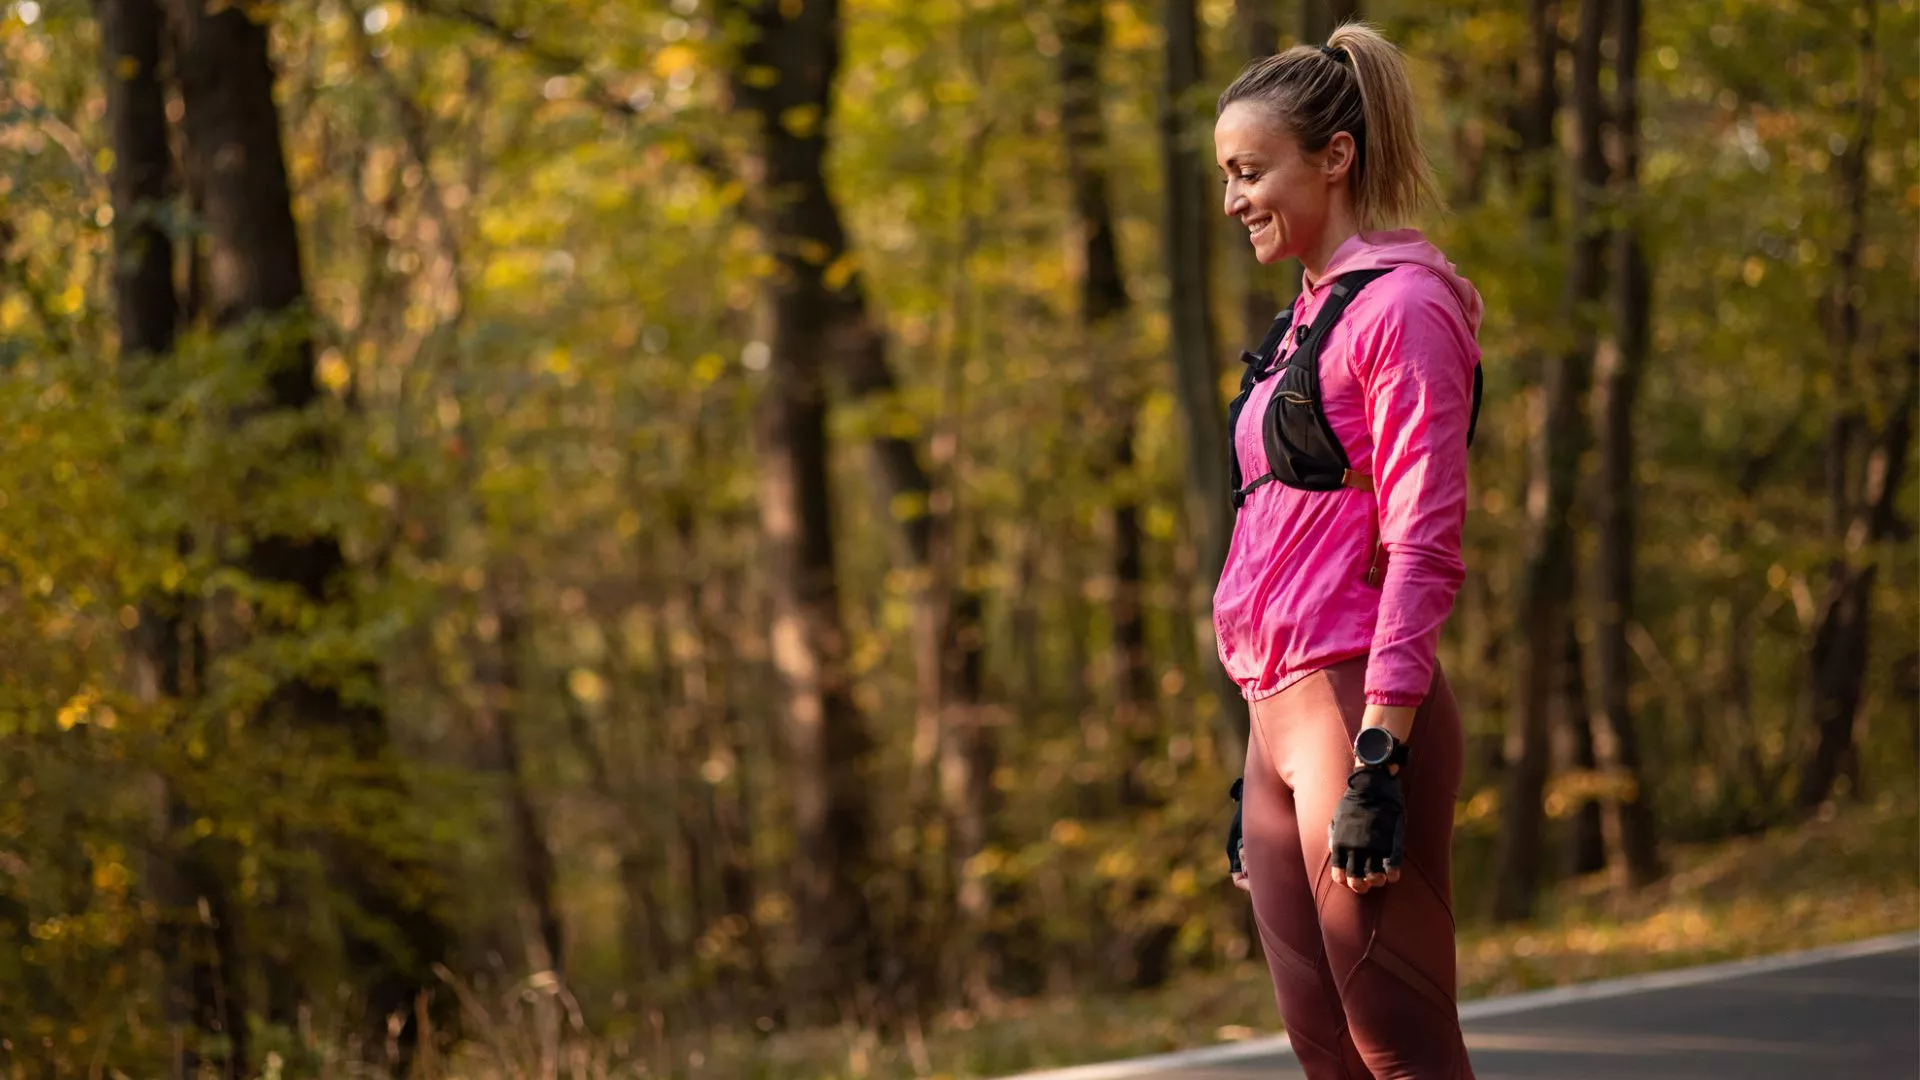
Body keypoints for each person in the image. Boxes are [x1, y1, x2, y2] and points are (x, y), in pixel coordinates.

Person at [1212, 22, 1482, 1080]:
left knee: (1403, 1055)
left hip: (1358, 708)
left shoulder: (1405, 308)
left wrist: (1380, 754)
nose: (1235, 199)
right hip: (1272, 724)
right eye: (1228, 176)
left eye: (1250, 171)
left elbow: (1422, 543)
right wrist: (1253, 774)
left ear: (1334, 156)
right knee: (1328, 1061)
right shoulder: (1299, 325)